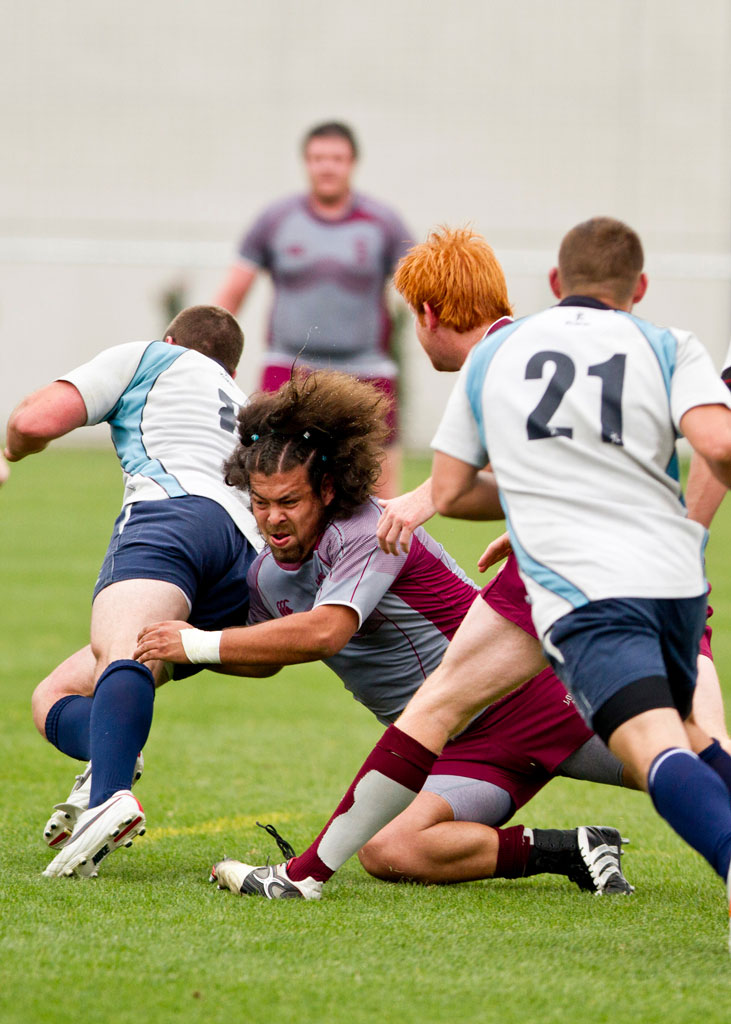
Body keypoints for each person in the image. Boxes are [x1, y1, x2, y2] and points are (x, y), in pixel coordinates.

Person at [163, 225, 731, 926]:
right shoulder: (664, 342)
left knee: (646, 745)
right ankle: (574, 850)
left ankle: (301, 876)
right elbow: (698, 450)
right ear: (636, 289)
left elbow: (452, 491)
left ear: (427, 314)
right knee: (687, 751)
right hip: (664, 570)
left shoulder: (498, 355)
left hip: (559, 605)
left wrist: (438, 500)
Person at [136, 370, 634, 897]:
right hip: (454, 745)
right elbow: (267, 655)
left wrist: (194, 642)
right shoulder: (267, 573)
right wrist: (172, 660)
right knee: (387, 851)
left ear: (327, 490)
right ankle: (574, 850)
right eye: (261, 503)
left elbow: (325, 633)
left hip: (536, 699)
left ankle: (301, 880)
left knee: (690, 768)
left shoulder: (370, 530)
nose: (273, 519)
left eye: (289, 502)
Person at [4, 305, 261, 878]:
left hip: (173, 517)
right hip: (244, 562)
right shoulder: (240, 402)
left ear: (172, 339)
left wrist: (9, 450)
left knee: (123, 650)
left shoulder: (150, 356)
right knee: (56, 694)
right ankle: (112, 752)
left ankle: (109, 799)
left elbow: (34, 423)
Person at [213, 120, 413, 497]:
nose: (327, 167)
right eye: (319, 158)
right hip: (288, 368)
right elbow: (232, 295)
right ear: (306, 163)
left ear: (352, 163)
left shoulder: (383, 223)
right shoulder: (275, 220)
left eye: (337, 158)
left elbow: (419, 294)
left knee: (380, 490)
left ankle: (382, 555)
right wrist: (201, 357)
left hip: (367, 369)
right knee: (273, 479)